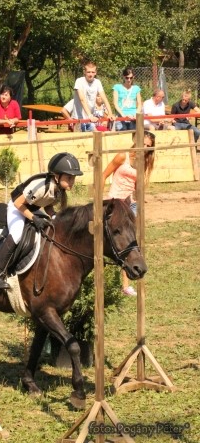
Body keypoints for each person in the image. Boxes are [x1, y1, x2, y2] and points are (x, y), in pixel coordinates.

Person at [0, 152, 83, 290]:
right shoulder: (41, 185)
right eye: (69, 177)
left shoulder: (57, 189)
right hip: (17, 208)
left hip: (32, 209)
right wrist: (34, 218)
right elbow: (18, 203)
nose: (72, 182)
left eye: (73, 178)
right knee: (16, 235)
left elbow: (47, 204)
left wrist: (54, 217)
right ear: (56, 176)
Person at [102, 131, 155, 296]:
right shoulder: (122, 157)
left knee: (131, 241)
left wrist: (139, 201)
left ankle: (126, 285)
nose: (144, 147)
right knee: (113, 240)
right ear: (135, 139)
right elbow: (104, 175)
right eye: (143, 143)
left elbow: (138, 186)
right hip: (115, 202)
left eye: (148, 146)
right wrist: (100, 198)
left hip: (130, 204)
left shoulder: (143, 162)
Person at [73, 61, 114, 132]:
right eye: (88, 72)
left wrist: (110, 113)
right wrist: (90, 115)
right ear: (84, 72)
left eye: (92, 72)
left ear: (95, 72)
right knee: (79, 141)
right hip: (79, 118)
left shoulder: (97, 82)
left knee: (97, 137)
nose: (90, 74)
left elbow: (104, 98)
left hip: (89, 119)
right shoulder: (79, 81)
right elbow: (82, 99)